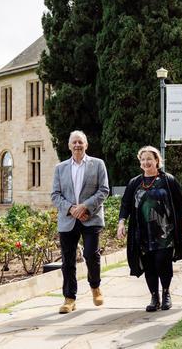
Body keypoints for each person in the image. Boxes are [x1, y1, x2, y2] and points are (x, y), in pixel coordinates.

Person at [117, 146, 182, 312]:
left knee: (162, 262)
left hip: (165, 231)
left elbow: (180, 204)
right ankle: (154, 297)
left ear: (157, 160)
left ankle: (166, 293)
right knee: (149, 264)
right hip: (142, 232)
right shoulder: (134, 183)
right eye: (143, 159)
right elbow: (125, 204)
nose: (146, 162)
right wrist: (121, 222)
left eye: (149, 159)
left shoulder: (168, 180)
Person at [51, 130, 109, 314]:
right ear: (69, 146)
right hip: (67, 220)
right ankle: (69, 298)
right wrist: (71, 209)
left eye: (80, 142)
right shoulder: (60, 168)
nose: (77, 145)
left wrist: (85, 207)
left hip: (91, 218)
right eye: (74, 142)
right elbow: (55, 195)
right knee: (68, 261)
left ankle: (95, 286)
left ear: (86, 145)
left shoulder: (98, 164)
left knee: (92, 255)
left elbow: (103, 190)